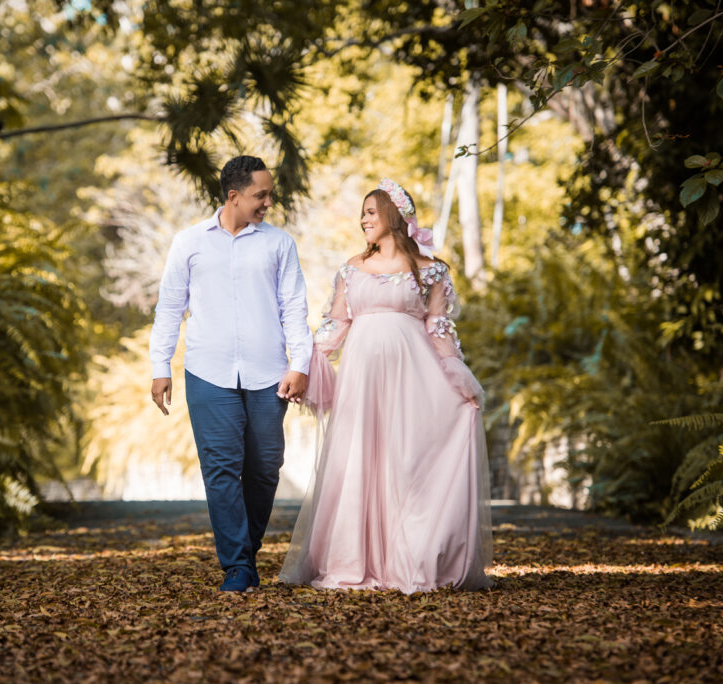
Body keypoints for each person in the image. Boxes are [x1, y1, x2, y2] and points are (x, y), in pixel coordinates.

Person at [279, 178, 493, 593]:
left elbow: (439, 327)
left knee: (405, 459)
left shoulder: (431, 271)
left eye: (371, 212)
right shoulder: (352, 268)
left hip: (415, 376)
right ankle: (354, 559)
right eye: (362, 213)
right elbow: (336, 323)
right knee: (360, 457)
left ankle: (410, 555)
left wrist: (458, 376)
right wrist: (304, 364)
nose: (363, 220)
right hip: (363, 379)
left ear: (395, 217)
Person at [149, 155, 312, 593]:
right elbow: (169, 307)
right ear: (234, 196)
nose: (268, 202)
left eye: (269, 194)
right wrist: (159, 366)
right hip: (207, 371)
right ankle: (238, 565)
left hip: (268, 374)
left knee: (264, 467)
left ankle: (246, 549)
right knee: (221, 468)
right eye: (261, 195)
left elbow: (294, 307)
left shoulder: (279, 244)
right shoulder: (189, 243)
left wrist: (301, 363)